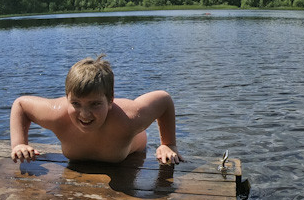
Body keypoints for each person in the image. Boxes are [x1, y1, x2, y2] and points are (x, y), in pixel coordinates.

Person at [10, 55, 183, 165]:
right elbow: (20, 105)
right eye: (76, 103)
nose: (84, 114)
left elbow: (164, 100)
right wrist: (19, 144)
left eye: (95, 104)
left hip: (134, 150)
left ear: (110, 101)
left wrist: (168, 144)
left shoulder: (129, 118)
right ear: (67, 99)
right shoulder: (57, 114)